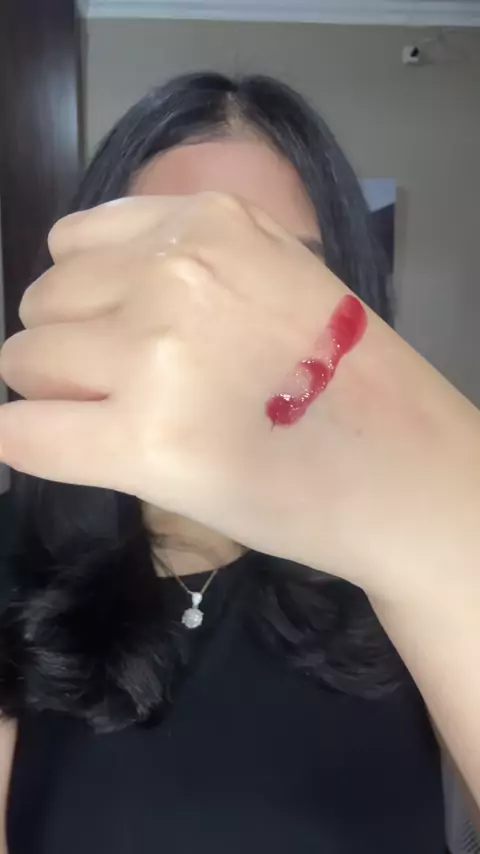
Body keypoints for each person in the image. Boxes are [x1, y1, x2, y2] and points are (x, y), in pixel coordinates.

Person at [0, 71, 477, 854]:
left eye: (281, 276)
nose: (216, 330)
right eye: (173, 271)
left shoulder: (412, 567)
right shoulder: (15, 556)